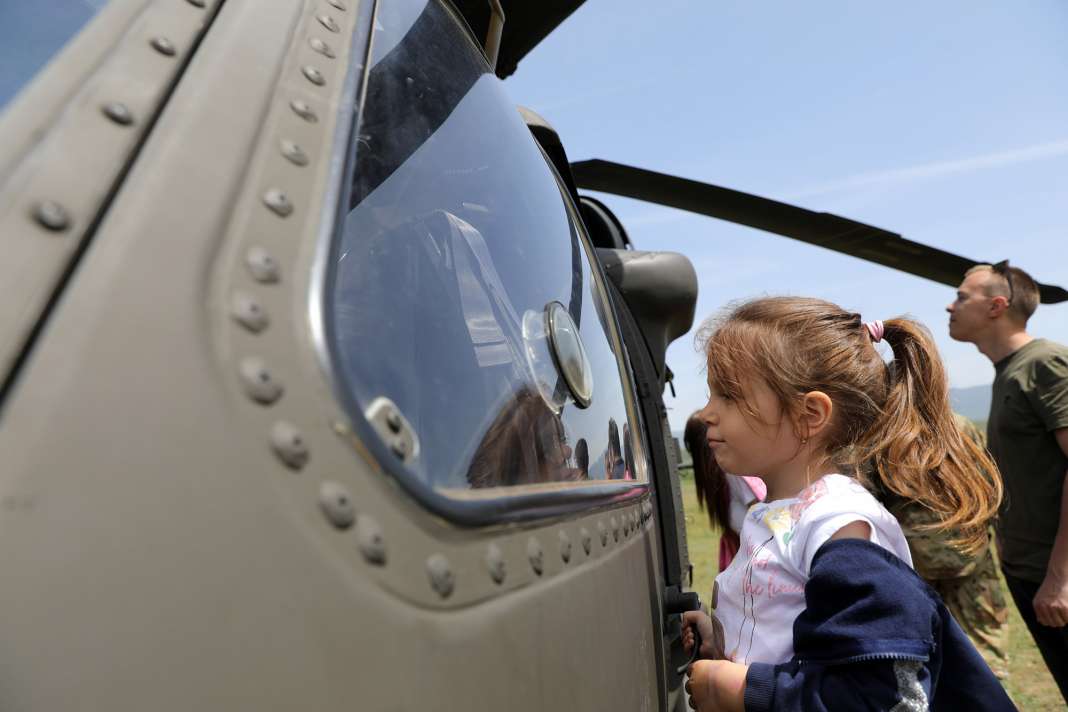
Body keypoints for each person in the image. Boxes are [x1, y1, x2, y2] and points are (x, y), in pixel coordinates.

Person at [680, 296, 1010, 711]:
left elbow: (882, 696)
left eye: (728, 395)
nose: (706, 414)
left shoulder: (841, 531)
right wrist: (722, 640)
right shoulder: (780, 516)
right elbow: (791, 636)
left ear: (810, 414)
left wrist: (740, 689)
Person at [947, 261, 1068, 699]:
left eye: (962, 297)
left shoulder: (1044, 363)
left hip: (1054, 575)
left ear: (997, 306)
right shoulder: (1009, 372)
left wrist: (1061, 576)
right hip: (1029, 571)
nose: (951, 306)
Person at [868, 413, 1010, 679]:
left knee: (925, 652)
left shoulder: (882, 432)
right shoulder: (960, 425)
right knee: (985, 655)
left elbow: (871, 500)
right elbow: (988, 484)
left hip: (915, 559)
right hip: (966, 550)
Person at [683, 413, 766, 573]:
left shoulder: (731, 470)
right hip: (751, 550)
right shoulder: (720, 473)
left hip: (758, 551)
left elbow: (761, 510)